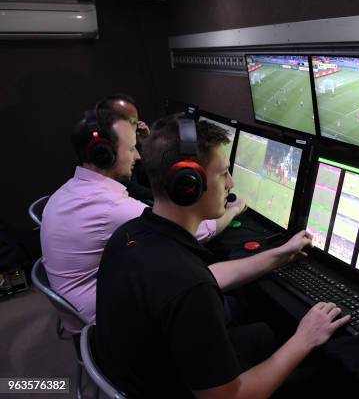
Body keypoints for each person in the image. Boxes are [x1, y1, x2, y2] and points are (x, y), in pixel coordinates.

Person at [95, 115, 350, 398]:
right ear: (188, 184)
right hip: (177, 390)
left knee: (264, 333)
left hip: (144, 372)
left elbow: (207, 276)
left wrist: (278, 255)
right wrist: (305, 338)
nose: (231, 182)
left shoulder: (131, 234)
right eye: (223, 173)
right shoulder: (188, 288)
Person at [40, 109, 246, 334]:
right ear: (104, 155)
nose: (138, 156)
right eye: (131, 148)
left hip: (81, 307)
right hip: (101, 324)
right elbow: (199, 231)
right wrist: (233, 211)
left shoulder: (68, 190)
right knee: (233, 305)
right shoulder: (112, 209)